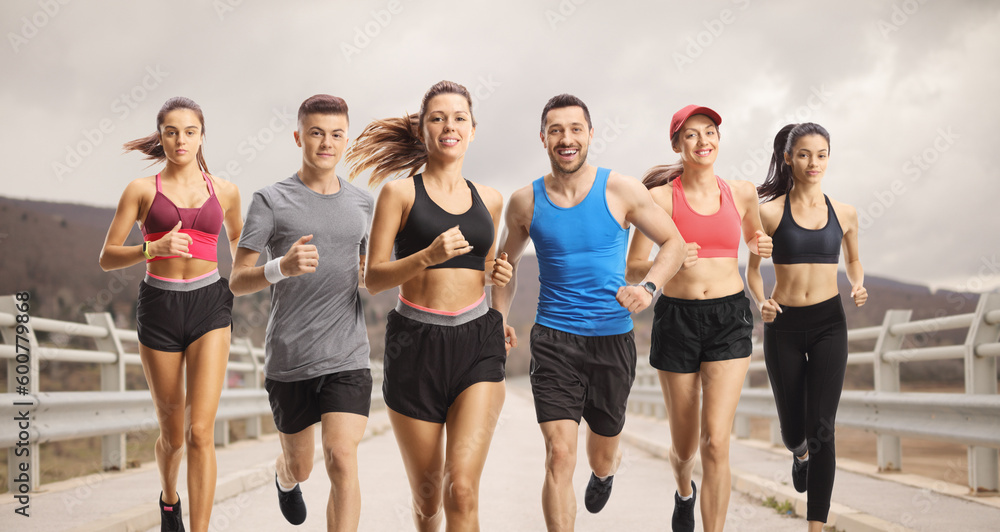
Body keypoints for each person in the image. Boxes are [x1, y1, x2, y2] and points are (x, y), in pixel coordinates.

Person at [492, 94, 686, 532]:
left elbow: (672, 243)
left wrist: (649, 288)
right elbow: (506, 267)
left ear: (590, 135)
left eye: (575, 129)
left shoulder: (621, 189)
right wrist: (499, 313)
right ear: (543, 138)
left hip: (612, 339)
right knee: (560, 454)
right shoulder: (525, 202)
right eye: (556, 130)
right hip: (553, 339)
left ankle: (605, 472)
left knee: (600, 454)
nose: (566, 138)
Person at [344, 80, 512, 532]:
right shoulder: (399, 195)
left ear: (473, 129)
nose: (449, 126)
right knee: (428, 503)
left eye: (459, 118)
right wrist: (426, 256)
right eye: (437, 118)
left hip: (477, 342)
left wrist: (500, 291)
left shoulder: (490, 200)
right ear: (422, 130)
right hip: (414, 346)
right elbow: (375, 277)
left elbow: (487, 266)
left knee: (462, 491)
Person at [229, 95, 374, 532]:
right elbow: (237, 279)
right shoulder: (270, 200)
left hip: (348, 356)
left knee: (342, 457)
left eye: (335, 135)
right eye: (316, 133)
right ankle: (285, 476)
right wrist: (281, 267)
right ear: (299, 137)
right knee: (304, 466)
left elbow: (367, 272)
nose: (326, 143)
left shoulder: (364, 204)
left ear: (345, 140)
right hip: (290, 359)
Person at [625, 105, 772, 532]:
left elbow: (753, 244)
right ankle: (684, 489)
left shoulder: (742, 193)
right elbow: (634, 266)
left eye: (710, 132)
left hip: (729, 317)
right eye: (691, 135)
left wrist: (760, 249)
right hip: (677, 319)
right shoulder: (659, 198)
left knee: (715, 442)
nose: (703, 141)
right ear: (677, 144)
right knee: (685, 446)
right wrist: (667, 259)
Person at [99, 97, 243, 532]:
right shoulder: (141, 191)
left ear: (202, 136)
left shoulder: (227, 191)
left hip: (209, 306)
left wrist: (267, 276)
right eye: (171, 131)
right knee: (173, 433)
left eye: (190, 131)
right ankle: (168, 498)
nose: (181, 140)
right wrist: (150, 248)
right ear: (160, 136)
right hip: (159, 306)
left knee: (201, 431)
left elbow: (242, 249)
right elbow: (106, 257)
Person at [747, 122, 866, 531]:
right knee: (795, 430)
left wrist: (858, 283)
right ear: (788, 158)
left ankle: (815, 525)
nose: (813, 163)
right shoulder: (769, 211)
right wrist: (760, 300)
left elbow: (852, 260)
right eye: (803, 155)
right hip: (783, 323)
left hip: (829, 322)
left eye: (821, 155)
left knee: (823, 428)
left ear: (829, 158)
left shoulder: (845, 213)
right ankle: (799, 454)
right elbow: (750, 271)